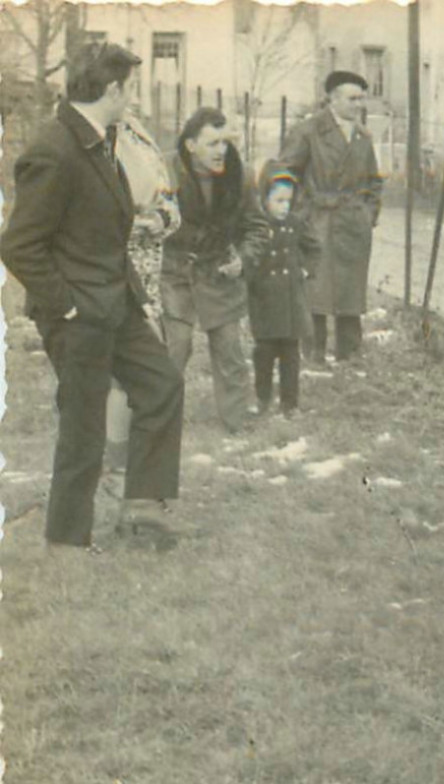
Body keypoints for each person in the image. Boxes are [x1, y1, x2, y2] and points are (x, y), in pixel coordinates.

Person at [0, 41, 186, 549]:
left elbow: (105, 233)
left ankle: (143, 509)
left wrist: (138, 298)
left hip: (116, 304)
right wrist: (66, 305)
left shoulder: (99, 141)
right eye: (129, 89)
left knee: (161, 383)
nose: (131, 100)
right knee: (84, 430)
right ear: (111, 89)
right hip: (78, 314)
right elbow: (18, 245)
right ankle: (67, 542)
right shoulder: (55, 147)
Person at [161, 107, 269, 434]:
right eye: (212, 143)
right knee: (174, 348)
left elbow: (257, 228)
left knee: (230, 351)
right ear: (191, 145)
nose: (221, 150)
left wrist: (243, 260)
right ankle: (159, 422)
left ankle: (236, 422)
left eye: (225, 142)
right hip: (175, 272)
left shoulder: (242, 175)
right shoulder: (165, 172)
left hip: (219, 272)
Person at [98, 105, 181, 530]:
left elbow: (171, 203)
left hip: (149, 276)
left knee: (150, 378)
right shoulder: (96, 139)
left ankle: (140, 482)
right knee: (120, 379)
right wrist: (133, 224)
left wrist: (159, 219)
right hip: (112, 278)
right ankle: (115, 472)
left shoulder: (141, 135)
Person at [278, 70, 383, 371]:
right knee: (316, 291)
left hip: (352, 223)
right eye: (352, 98)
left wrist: (368, 215)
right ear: (332, 99)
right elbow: (284, 174)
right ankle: (313, 356)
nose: (358, 104)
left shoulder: (362, 135)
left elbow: (374, 182)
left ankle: (349, 356)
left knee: (351, 290)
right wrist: (299, 215)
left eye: (361, 98)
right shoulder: (308, 131)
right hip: (317, 221)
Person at [247, 165, 321, 418]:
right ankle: (262, 398)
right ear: (264, 198)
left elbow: (314, 248)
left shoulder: (296, 224)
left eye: (288, 201)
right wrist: (251, 278)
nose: (284, 207)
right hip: (264, 300)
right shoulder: (257, 224)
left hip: (291, 301)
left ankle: (290, 404)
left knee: (291, 356)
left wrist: (305, 271)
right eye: (278, 200)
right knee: (264, 354)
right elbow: (248, 253)